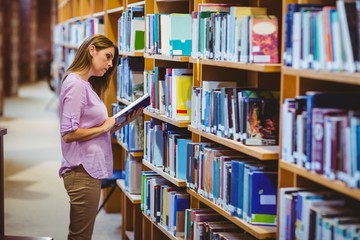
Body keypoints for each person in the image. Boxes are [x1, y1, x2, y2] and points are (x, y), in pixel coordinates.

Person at [59, 34, 142, 240]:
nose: (110, 64)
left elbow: (93, 128)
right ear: (92, 50)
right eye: (107, 56)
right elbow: (69, 134)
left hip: (88, 170)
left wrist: (119, 122)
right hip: (81, 171)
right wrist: (106, 125)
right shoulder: (76, 85)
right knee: (80, 236)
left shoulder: (86, 85)